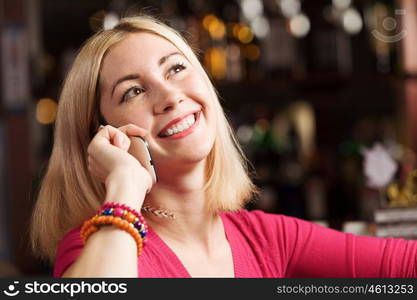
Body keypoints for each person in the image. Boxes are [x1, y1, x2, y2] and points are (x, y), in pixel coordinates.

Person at [30, 15, 417, 278]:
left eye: (176, 69)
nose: (169, 96)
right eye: (133, 90)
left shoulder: (265, 238)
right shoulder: (95, 249)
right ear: (104, 136)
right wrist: (125, 185)